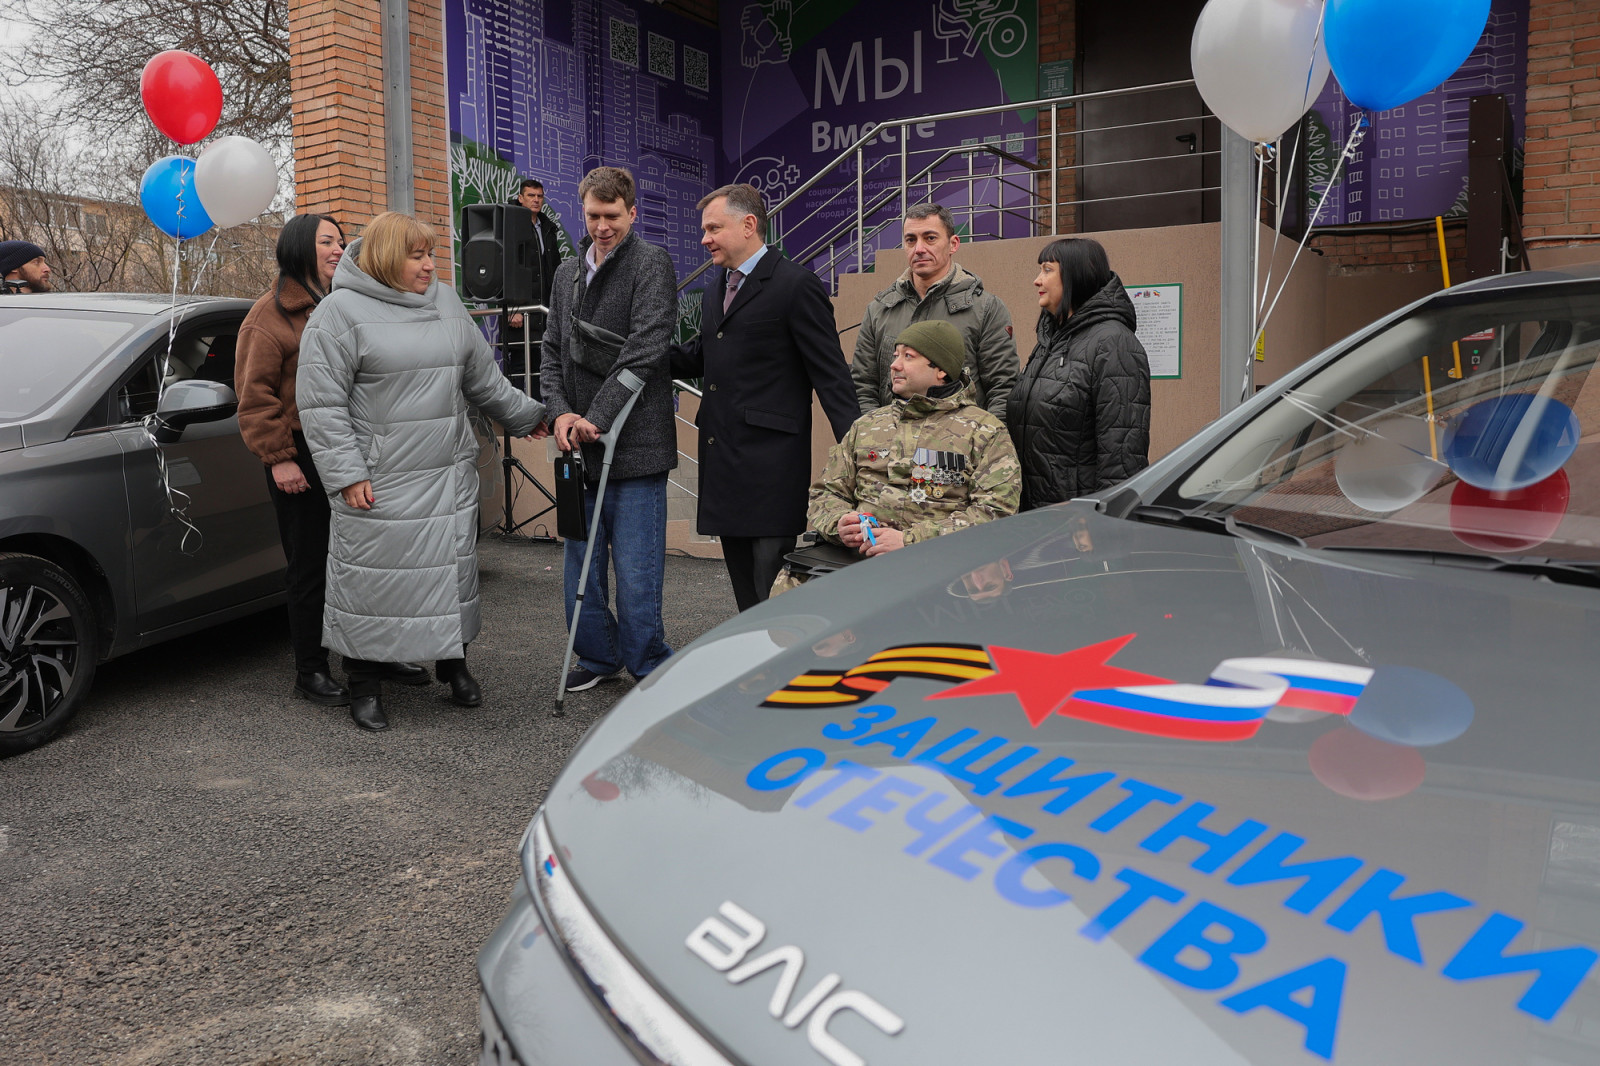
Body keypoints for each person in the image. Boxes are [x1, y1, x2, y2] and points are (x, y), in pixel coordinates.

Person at [297, 211, 548, 732]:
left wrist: (532, 417)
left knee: (450, 578)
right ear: (388, 258)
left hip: (446, 472)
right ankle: (364, 685)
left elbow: (486, 381)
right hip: (380, 480)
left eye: (432, 254)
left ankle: (454, 668)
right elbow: (321, 406)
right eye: (417, 256)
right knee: (373, 585)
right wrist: (346, 475)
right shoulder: (338, 314)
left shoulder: (447, 303)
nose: (430, 265)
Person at [236, 214, 432, 706]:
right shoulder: (269, 315)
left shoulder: (349, 303)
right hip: (299, 453)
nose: (337, 249)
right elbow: (255, 398)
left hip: (351, 447)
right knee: (311, 565)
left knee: (367, 562)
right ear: (300, 247)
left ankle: (374, 655)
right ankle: (310, 669)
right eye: (326, 241)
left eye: (341, 241)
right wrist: (280, 458)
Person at [669, 183, 859, 612]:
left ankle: (786, 675)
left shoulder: (796, 286)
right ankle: (758, 671)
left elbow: (832, 379)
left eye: (713, 227)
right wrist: (643, 358)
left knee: (777, 601)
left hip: (771, 474)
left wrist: (861, 457)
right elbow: (705, 354)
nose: (705, 238)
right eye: (705, 229)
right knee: (747, 603)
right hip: (724, 467)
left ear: (749, 225)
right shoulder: (718, 287)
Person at [540, 166, 677, 692]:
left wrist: (595, 416)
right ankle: (599, 658)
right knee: (581, 569)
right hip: (579, 447)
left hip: (636, 447)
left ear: (631, 213)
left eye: (612, 216)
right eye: (594, 215)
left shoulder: (651, 263)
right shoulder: (566, 274)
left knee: (639, 576)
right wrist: (558, 414)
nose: (602, 226)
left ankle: (647, 663)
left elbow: (646, 349)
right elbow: (551, 352)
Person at [774, 320, 1020, 595]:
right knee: (790, 589)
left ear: (940, 370)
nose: (894, 365)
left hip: (942, 563)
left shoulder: (984, 431)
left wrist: (909, 541)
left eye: (908, 356)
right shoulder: (866, 426)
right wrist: (840, 523)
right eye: (895, 356)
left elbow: (995, 514)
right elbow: (825, 493)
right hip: (859, 560)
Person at [1005, 237, 1150, 510]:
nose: (1037, 280)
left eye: (1047, 270)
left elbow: (1122, 452)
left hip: (1077, 523)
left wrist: (1102, 521)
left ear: (1076, 274)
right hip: (1036, 517)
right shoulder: (1050, 341)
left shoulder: (1114, 343)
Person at [850, 203, 1017, 420]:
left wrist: (985, 444)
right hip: (891, 448)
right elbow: (863, 386)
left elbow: (1003, 387)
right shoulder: (879, 309)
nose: (919, 248)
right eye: (911, 240)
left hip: (960, 448)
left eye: (930, 238)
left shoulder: (986, 308)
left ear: (953, 244)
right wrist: (876, 439)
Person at [505, 178, 564, 341]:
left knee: (546, 363)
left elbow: (556, 271)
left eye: (540, 196)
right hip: (520, 315)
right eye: (531, 195)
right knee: (521, 364)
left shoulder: (548, 229)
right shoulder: (508, 224)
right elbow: (503, 269)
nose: (536, 200)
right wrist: (510, 308)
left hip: (546, 314)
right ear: (520, 198)